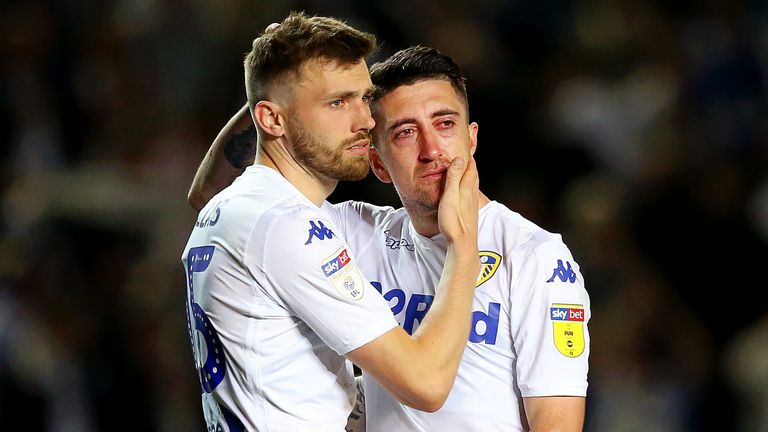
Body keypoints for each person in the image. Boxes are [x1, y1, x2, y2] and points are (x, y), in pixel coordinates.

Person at [189, 45, 590, 431]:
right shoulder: (352, 233)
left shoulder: (535, 254)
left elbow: (556, 423)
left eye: (445, 124)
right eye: (405, 133)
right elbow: (219, 196)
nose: (432, 149)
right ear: (376, 161)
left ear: (472, 138)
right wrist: (282, 82)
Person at [181, 14, 481, 432]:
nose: (366, 121)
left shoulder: (238, 208)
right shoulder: (288, 226)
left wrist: (277, 73)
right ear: (271, 120)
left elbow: (205, 191)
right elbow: (426, 383)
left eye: (364, 98)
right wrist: (464, 246)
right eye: (338, 102)